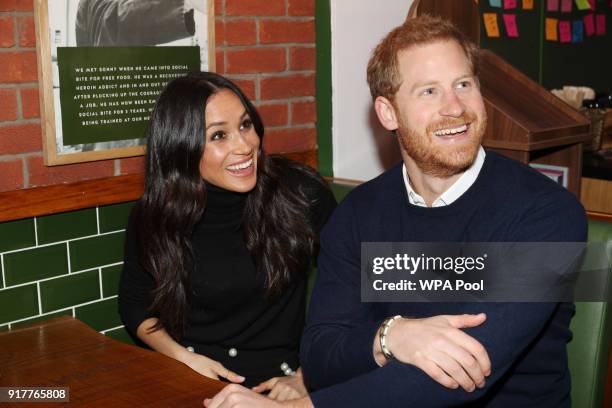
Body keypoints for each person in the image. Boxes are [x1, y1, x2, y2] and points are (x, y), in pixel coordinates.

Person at [204, 14, 587, 408]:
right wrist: (391, 336)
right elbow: (319, 357)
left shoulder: (547, 214)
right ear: (388, 113)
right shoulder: (358, 214)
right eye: (429, 92)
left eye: (463, 85)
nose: (454, 107)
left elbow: (465, 372)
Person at [118, 72, 337, 400]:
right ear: (182, 147)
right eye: (219, 135)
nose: (244, 145)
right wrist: (184, 359)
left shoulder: (300, 193)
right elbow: (135, 303)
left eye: (245, 125)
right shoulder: (155, 214)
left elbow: (354, 287)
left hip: (277, 386)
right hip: (190, 379)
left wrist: (308, 376)